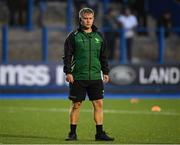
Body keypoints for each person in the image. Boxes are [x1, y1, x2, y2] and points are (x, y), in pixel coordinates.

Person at [63, 7, 114, 141]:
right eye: (85, 18)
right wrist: (68, 72)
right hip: (78, 76)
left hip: (95, 77)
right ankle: (72, 133)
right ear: (80, 20)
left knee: (98, 104)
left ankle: (100, 133)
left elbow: (103, 56)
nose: (88, 21)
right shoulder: (73, 36)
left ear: (93, 19)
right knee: (76, 104)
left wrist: (106, 71)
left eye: (90, 18)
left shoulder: (99, 36)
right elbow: (67, 56)